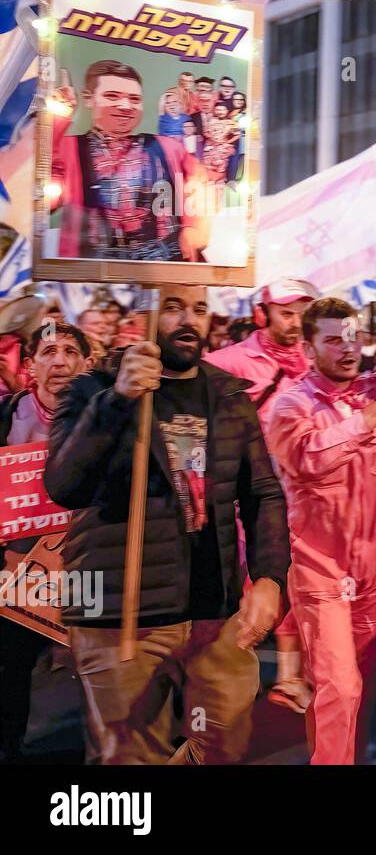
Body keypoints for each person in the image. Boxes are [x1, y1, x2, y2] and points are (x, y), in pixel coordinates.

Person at [46, 285, 289, 764]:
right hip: (120, 613)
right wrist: (118, 400)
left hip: (212, 609)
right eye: (174, 306)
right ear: (147, 311)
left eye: (199, 309)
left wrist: (269, 578)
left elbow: (262, 492)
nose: (188, 320)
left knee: (223, 743)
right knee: (130, 759)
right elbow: (63, 485)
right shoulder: (92, 387)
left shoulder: (227, 393)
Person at [265, 250, 376, 765]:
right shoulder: (291, 405)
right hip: (319, 568)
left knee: (359, 682)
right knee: (340, 686)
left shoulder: (373, 384)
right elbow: (307, 460)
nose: (347, 349)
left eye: (352, 337)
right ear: (307, 346)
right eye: (332, 340)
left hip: (375, 564)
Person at [205, 278, 317, 713]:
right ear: (262, 314)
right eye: (286, 313)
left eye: (303, 313)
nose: (295, 323)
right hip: (244, 497)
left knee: (296, 584)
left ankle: (288, 680)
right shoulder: (229, 361)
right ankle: (227, 682)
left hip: (298, 495)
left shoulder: (313, 362)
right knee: (245, 590)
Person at [0, 323, 89, 762]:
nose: (60, 361)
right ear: (30, 365)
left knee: (96, 674)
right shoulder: (7, 417)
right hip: (19, 570)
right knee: (13, 670)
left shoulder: (108, 415)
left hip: (87, 567)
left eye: (71, 351)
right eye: (48, 351)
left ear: (87, 364)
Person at [49, 60, 211, 262]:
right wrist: (56, 119)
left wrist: (193, 226)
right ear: (89, 99)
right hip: (95, 271)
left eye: (134, 99)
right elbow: (45, 196)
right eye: (112, 96)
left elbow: (198, 179)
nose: (126, 106)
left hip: (168, 261)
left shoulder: (166, 146)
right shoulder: (69, 149)